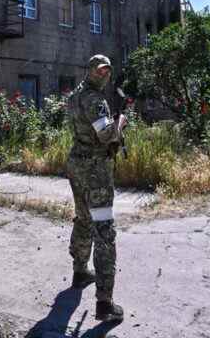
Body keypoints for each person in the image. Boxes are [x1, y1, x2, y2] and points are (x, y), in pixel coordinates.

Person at [65, 54, 128, 322]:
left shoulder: (74, 96)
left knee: (83, 218)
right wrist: (121, 124)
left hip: (76, 164)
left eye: (107, 72)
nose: (104, 76)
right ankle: (105, 302)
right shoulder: (95, 100)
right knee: (103, 230)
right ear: (89, 71)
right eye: (100, 71)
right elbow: (106, 135)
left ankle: (80, 271)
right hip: (95, 172)